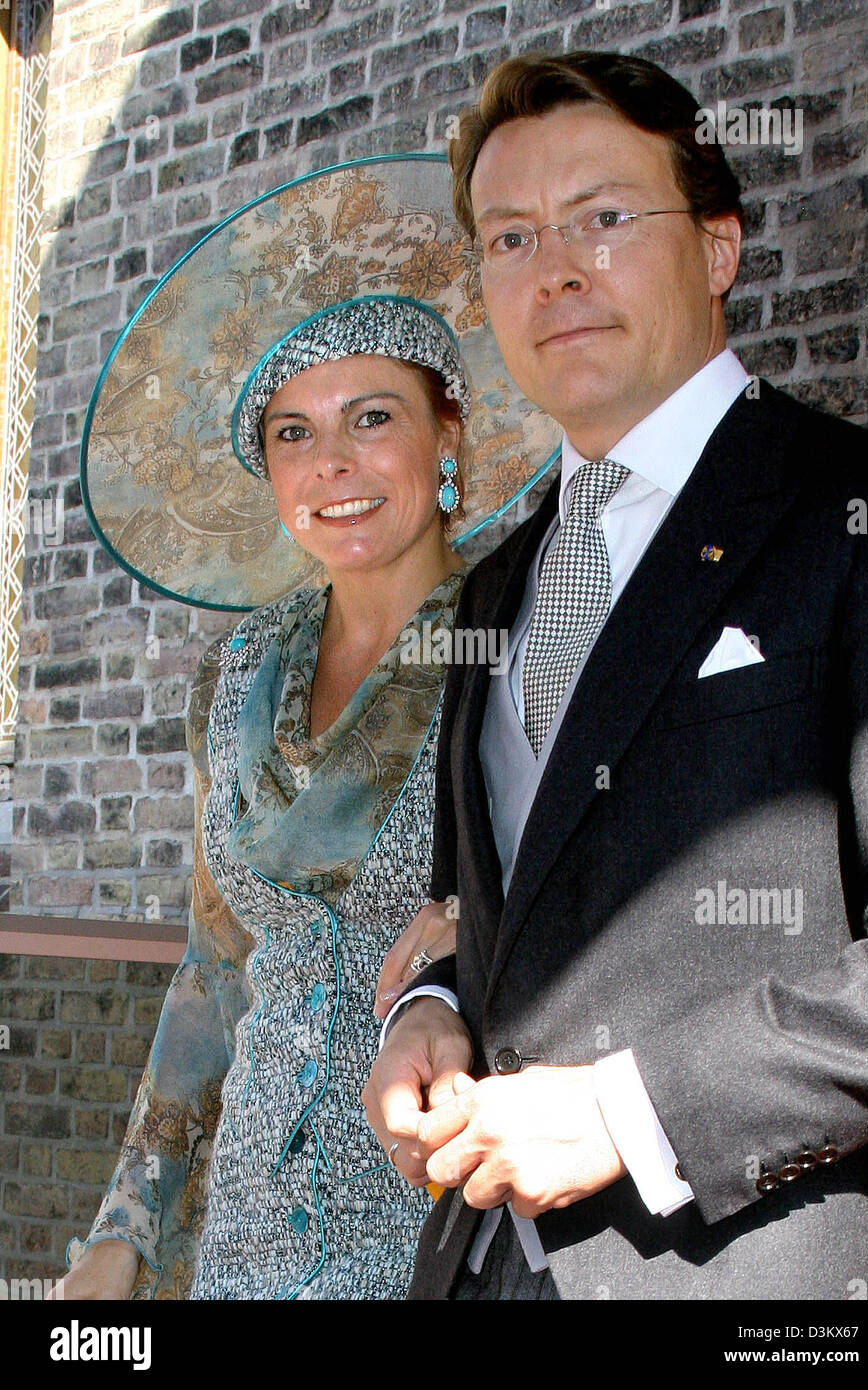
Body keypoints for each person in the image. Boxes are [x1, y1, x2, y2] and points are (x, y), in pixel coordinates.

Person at [363, 51, 868, 1300]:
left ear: (717, 246)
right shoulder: (497, 587)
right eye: (510, 237)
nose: (554, 269)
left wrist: (630, 1113)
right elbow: (492, 917)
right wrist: (429, 1019)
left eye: (604, 219)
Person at [60, 157, 558, 1299]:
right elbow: (212, 969)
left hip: (447, 1220)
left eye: (371, 417)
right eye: (293, 433)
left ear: (447, 436)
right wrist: (125, 1229)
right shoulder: (234, 674)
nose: (331, 463)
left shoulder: (526, 632)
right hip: (245, 1237)